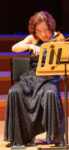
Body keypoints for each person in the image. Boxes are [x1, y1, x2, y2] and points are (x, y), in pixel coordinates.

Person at [4, 11, 65, 147]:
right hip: (31, 78)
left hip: (50, 78)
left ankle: (56, 137)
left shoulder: (58, 38)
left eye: (46, 30)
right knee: (14, 91)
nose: (43, 34)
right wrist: (29, 46)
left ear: (51, 27)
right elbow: (15, 48)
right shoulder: (32, 38)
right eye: (39, 31)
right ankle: (20, 137)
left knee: (50, 93)